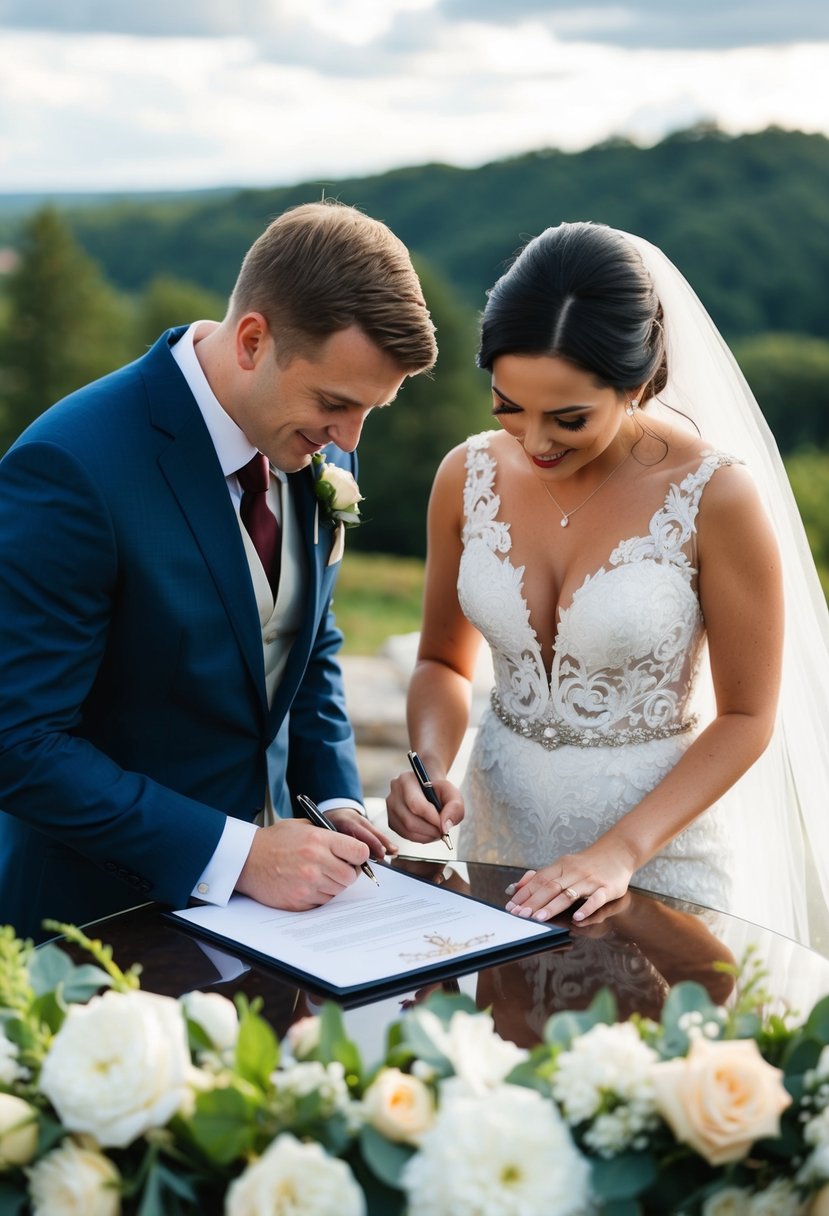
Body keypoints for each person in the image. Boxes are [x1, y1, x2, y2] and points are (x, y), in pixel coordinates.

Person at [0, 199, 437, 942]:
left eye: (371, 410)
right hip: (94, 921)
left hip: (277, 925)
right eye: (334, 403)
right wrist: (238, 855)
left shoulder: (319, 444)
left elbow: (305, 637)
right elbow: (19, 741)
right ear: (253, 339)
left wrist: (333, 802)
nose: (347, 438)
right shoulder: (73, 467)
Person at [387, 221, 829, 949]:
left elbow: (748, 716)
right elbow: (440, 661)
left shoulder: (713, 496)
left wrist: (619, 852)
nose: (533, 442)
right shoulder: (463, 477)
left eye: (567, 418)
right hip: (501, 844)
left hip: (659, 853)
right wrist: (427, 764)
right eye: (507, 406)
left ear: (638, 383)